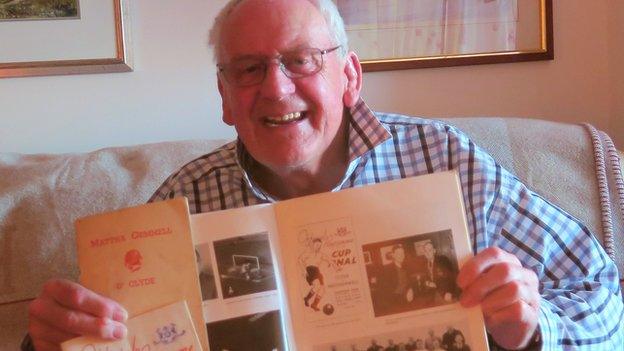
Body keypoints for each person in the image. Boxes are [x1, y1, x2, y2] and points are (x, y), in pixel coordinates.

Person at [25, 0, 623, 350]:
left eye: (301, 60)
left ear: (350, 76)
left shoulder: (448, 161)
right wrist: (56, 340)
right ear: (226, 97)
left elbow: (604, 300)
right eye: (249, 69)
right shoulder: (184, 199)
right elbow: (108, 329)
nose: (276, 88)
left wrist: (529, 329)